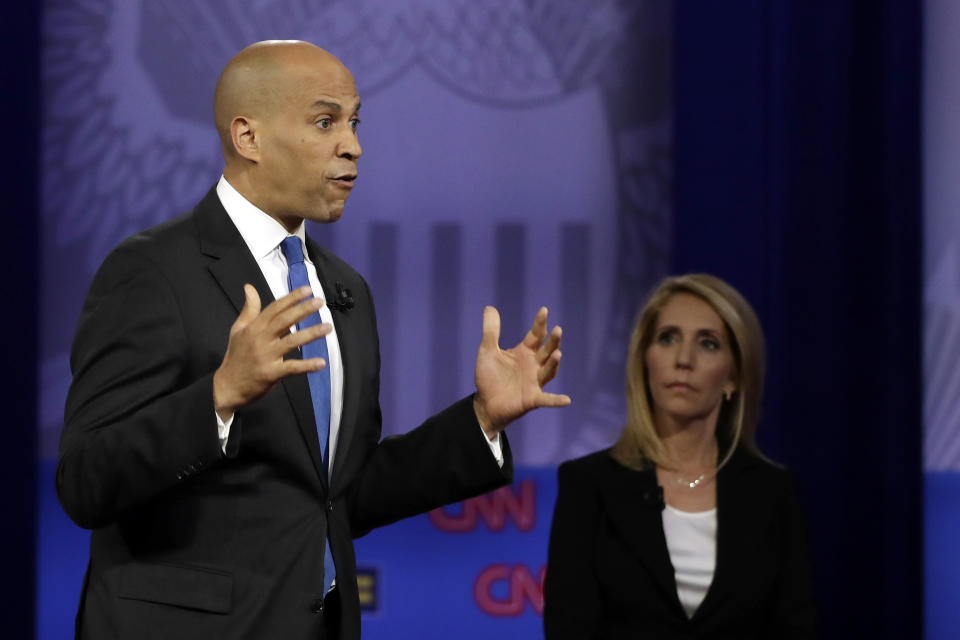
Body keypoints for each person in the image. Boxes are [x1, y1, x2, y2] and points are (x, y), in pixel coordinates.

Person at [57, 40, 570, 640]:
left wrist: (482, 419)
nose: (352, 146)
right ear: (247, 138)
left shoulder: (345, 290)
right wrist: (218, 398)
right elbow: (85, 481)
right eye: (325, 122)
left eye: (354, 123)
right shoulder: (153, 271)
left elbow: (340, 497)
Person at [543, 273, 816, 638]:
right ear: (645, 361)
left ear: (733, 377)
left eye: (708, 344)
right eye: (668, 338)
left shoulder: (774, 493)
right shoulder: (589, 485)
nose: (683, 359)